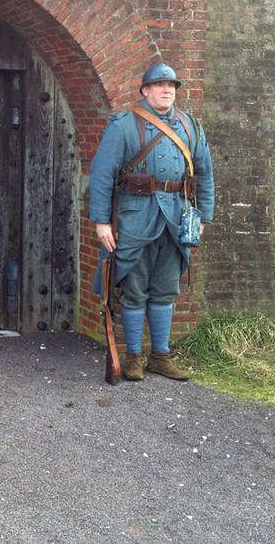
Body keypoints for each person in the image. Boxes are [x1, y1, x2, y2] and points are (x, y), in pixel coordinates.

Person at [89, 62, 214, 381]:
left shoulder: (191, 126)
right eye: (160, 85)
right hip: (134, 220)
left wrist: (204, 216)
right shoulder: (124, 125)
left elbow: (205, 174)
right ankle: (133, 358)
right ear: (145, 90)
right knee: (133, 289)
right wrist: (102, 221)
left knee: (165, 290)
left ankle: (160, 356)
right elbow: (102, 173)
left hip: (176, 219)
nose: (167, 90)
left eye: (172, 86)